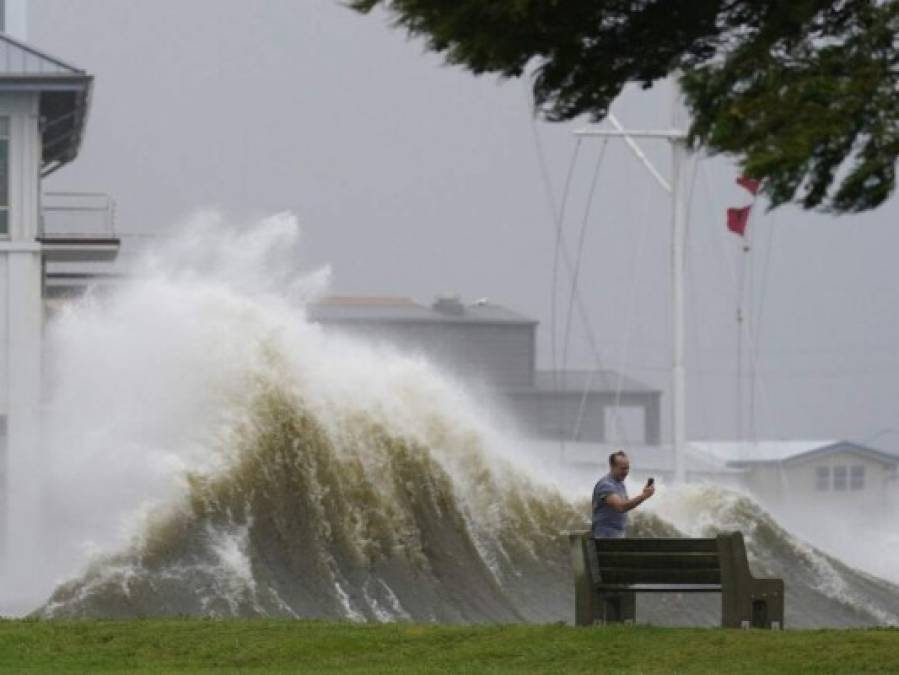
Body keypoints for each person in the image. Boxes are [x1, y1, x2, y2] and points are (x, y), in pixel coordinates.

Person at [592, 451, 654, 538]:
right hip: (605, 537)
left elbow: (625, 505)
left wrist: (643, 494)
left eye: (627, 468)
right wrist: (644, 496)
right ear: (612, 467)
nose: (626, 472)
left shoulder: (619, 483)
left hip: (617, 535)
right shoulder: (605, 485)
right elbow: (620, 507)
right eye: (622, 468)